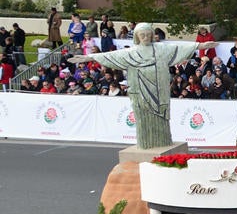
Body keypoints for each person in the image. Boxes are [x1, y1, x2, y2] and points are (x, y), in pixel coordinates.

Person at [69, 22, 207, 148]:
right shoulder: (131, 52)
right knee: (143, 119)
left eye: (148, 34)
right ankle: (145, 143)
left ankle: (163, 141)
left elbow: (179, 48)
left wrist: (201, 45)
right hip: (139, 92)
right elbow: (111, 56)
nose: (145, 37)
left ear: (152, 35)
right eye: (142, 35)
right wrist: (89, 57)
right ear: (137, 36)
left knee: (160, 118)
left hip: (159, 92)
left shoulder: (161, 49)